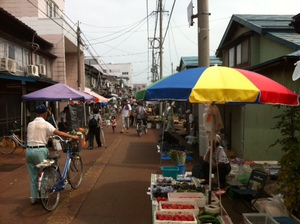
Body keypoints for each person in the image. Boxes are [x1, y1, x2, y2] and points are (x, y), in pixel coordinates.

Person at [26, 104, 78, 205]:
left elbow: (35, 135)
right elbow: (59, 133)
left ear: (36, 113)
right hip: (40, 151)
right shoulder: (46, 124)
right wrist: (72, 136)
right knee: (45, 173)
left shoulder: (30, 124)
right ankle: (44, 196)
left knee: (33, 177)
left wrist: (47, 137)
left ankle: (33, 198)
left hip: (29, 151)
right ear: (45, 114)